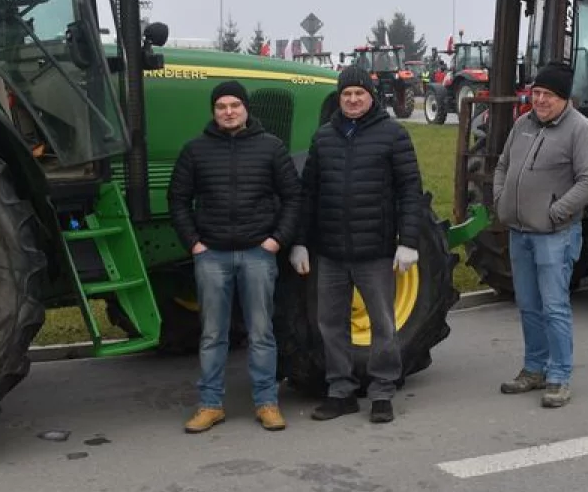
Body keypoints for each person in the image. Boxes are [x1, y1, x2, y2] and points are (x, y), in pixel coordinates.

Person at [290, 65, 424, 424]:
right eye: (346, 94)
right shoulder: (324, 138)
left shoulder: (393, 136)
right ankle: (341, 391)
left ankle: (382, 392)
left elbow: (409, 190)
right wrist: (301, 242)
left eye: (358, 94)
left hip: (375, 252)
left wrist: (408, 241)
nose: (352, 99)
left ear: (371, 96)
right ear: (339, 97)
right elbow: (309, 194)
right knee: (330, 325)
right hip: (330, 253)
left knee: (383, 324)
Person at [167, 80, 303, 434]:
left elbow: (292, 196)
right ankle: (210, 405)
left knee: (261, 332)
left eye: (235, 105)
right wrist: (194, 243)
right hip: (211, 256)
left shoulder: (271, 148)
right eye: (221, 106)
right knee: (213, 334)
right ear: (214, 111)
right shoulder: (195, 151)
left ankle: (267, 402)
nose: (228, 112)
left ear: (246, 109)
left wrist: (276, 241)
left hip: (258, 254)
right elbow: (178, 199)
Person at [493, 62, 588, 408]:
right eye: (536, 93)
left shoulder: (580, 130)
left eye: (547, 95)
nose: (539, 100)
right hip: (519, 232)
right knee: (528, 305)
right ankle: (534, 368)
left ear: (564, 98)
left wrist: (556, 212)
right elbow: (502, 165)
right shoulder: (522, 125)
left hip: (555, 235)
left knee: (554, 306)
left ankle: (559, 376)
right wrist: (501, 201)